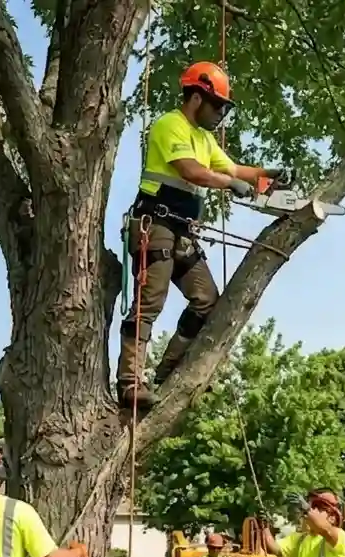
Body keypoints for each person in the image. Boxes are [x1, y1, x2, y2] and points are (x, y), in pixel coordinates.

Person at [118, 60, 287, 410]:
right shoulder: (170, 126)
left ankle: (167, 373)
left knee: (207, 301)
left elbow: (233, 168)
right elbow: (192, 171)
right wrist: (231, 185)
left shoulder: (204, 138)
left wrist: (267, 175)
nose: (221, 114)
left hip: (182, 232)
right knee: (150, 303)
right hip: (157, 226)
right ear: (197, 97)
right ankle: (131, 382)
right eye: (218, 105)